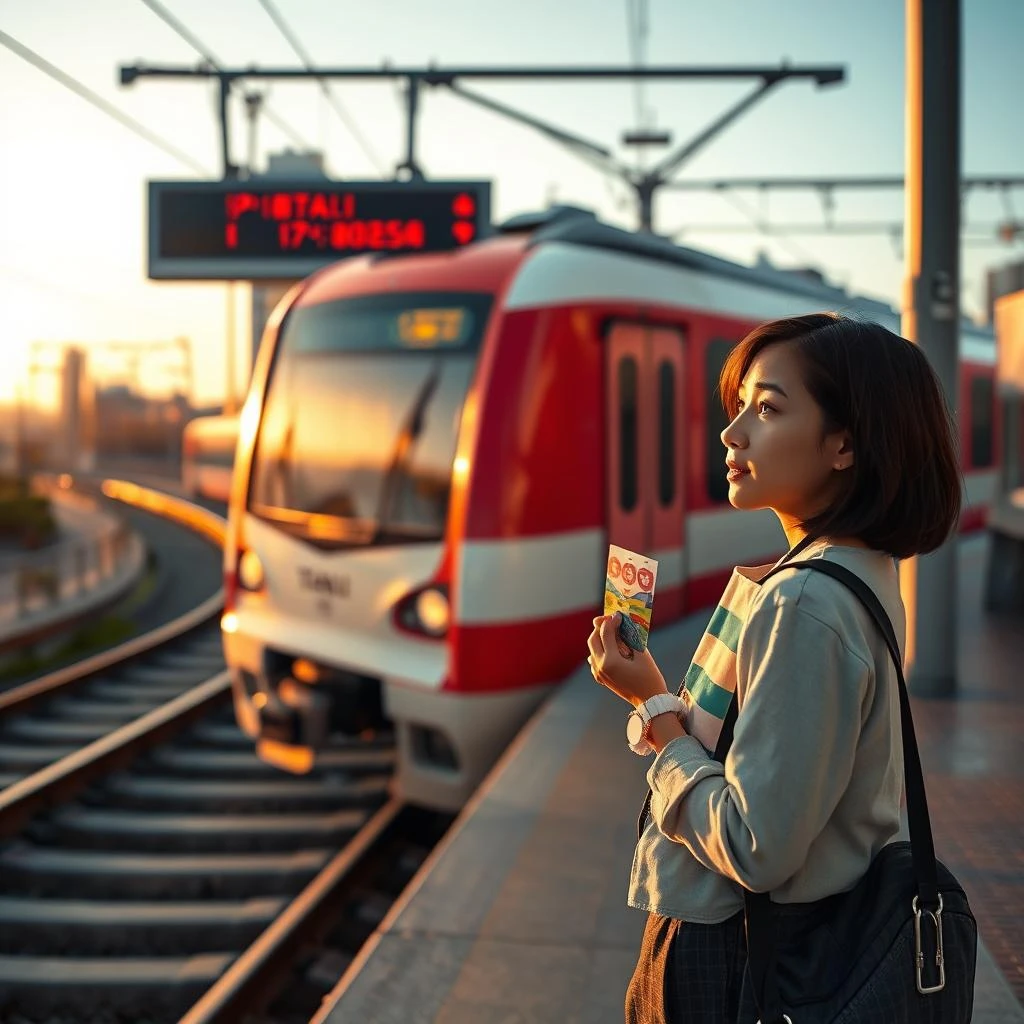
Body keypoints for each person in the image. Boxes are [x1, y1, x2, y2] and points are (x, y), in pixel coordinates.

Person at [586, 313, 962, 1023]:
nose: (732, 435)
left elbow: (755, 846)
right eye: (738, 409)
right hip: (790, 941)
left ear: (844, 443)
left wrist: (655, 715)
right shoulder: (861, 572)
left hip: (743, 962)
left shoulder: (805, 603)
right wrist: (656, 696)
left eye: (767, 409)